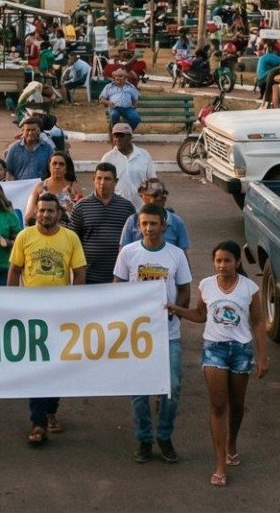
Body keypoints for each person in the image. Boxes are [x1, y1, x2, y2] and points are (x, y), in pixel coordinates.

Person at [168, 240, 268, 488]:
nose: (222, 265)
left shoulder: (249, 288)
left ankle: (232, 442)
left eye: (227, 260)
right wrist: (176, 309)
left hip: (241, 350)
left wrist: (262, 357)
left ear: (237, 262)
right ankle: (220, 464)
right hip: (214, 349)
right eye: (218, 261)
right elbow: (201, 315)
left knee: (237, 404)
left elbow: (257, 323)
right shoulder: (206, 285)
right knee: (218, 405)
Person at [114, 204, 192, 464]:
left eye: (154, 224)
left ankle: (165, 435)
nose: (149, 228)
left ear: (164, 226)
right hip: (137, 334)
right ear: (138, 226)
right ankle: (144, 438)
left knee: (172, 387)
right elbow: (118, 288)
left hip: (168, 333)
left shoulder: (176, 255)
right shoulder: (128, 253)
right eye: (144, 224)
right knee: (139, 390)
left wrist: (175, 312)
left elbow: (184, 289)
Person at [9, 192, 87, 442]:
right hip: (31, 314)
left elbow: (80, 273)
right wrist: (9, 303)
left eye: (49, 211)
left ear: (59, 213)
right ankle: (38, 422)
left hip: (60, 315)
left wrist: (75, 304)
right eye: (41, 210)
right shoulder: (25, 236)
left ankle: (51, 410)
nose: (44, 214)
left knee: (58, 366)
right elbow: (14, 271)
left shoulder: (70, 238)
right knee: (37, 368)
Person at [70, 163, 136, 285]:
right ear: (93, 180)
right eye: (99, 178)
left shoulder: (127, 207)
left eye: (107, 179)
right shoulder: (81, 207)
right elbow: (73, 241)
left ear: (115, 181)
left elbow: (134, 242)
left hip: (118, 276)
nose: (102, 182)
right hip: (88, 276)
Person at [120, 178, 191, 252]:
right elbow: (124, 251)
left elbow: (182, 253)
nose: (152, 201)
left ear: (164, 199)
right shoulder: (132, 220)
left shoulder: (176, 222)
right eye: (148, 197)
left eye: (157, 198)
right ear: (142, 197)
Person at [101, 122, 154, 205]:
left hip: (140, 207)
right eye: (115, 136)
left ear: (130, 137)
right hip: (117, 207)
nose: (118, 139)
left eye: (122, 136)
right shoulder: (108, 158)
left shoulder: (144, 155)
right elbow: (101, 184)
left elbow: (152, 180)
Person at [25, 150, 82, 226]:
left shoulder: (74, 187)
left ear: (67, 169)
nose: (57, 167)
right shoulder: (40, 187)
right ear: (49, 167)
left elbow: (82, 215)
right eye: (54, 163)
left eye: (61, 164)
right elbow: (28, 216)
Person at [3, 117, 55, 182]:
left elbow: (53, 170)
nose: (30, 133)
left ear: (39, 131)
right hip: (20, 188)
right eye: (28, 130)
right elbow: (8, 171)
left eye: (33, 130)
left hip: (41, 188)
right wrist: (14, 184)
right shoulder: (14, 148)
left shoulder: (47, 148)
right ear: (23, 131)